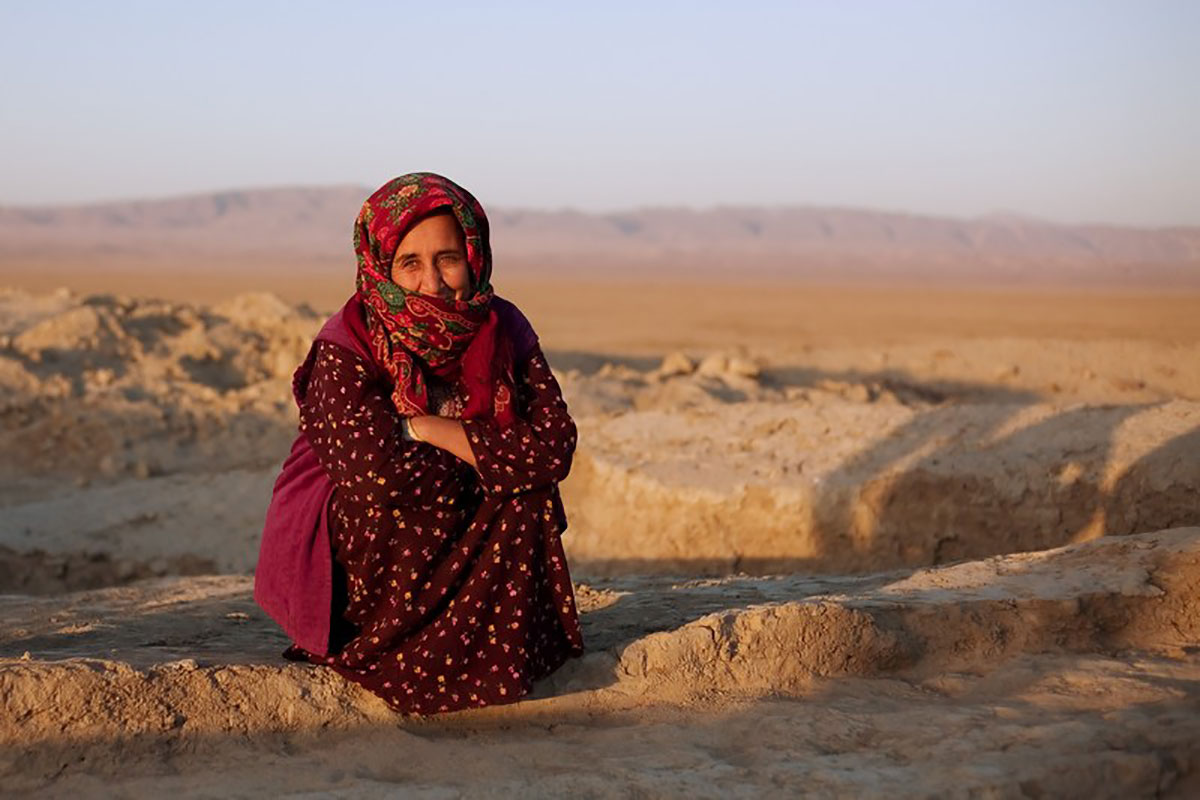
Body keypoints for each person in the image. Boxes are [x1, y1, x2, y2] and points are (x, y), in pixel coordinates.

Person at [254, 172, 585, 715]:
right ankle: (374, 649)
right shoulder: (349, 339)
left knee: (531, 493)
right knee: (400, 503)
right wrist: (492, 457)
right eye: (410, 263)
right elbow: (374, 472)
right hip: (364, 521)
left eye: (448, 258)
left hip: (441, 488)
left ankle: (490, 659)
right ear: (381, 266)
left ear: (474, 256)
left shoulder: (503, 324)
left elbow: (553, 447)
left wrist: (428, 427)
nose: (431, 281)